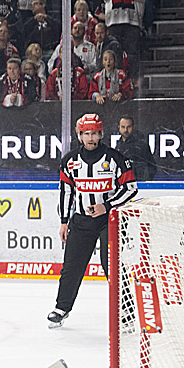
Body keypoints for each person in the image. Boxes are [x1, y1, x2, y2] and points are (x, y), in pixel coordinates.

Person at [48, 113, 137, 328]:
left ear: (101, 134)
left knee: (112, 265)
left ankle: (126, 311)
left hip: (111, 220)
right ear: (79, 135)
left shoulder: (115, 158)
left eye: (95, 133)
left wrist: (106, 206)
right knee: (72, 266)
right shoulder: (69, 160)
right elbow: (66, 192)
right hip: (81, 221)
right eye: (86, 133)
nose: (90, 138)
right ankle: (62, 308)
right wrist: (64, 221)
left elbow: (130, 188)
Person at [113, 115, 156, 182]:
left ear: (133, 127)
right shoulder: (119, 145)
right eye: (123, 127)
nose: (126, 130)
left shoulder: (141, 145)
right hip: (123, 184)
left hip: (138, 184)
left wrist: (144, 182)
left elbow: (152, 167)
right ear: (119, 127)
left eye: (128, 127)